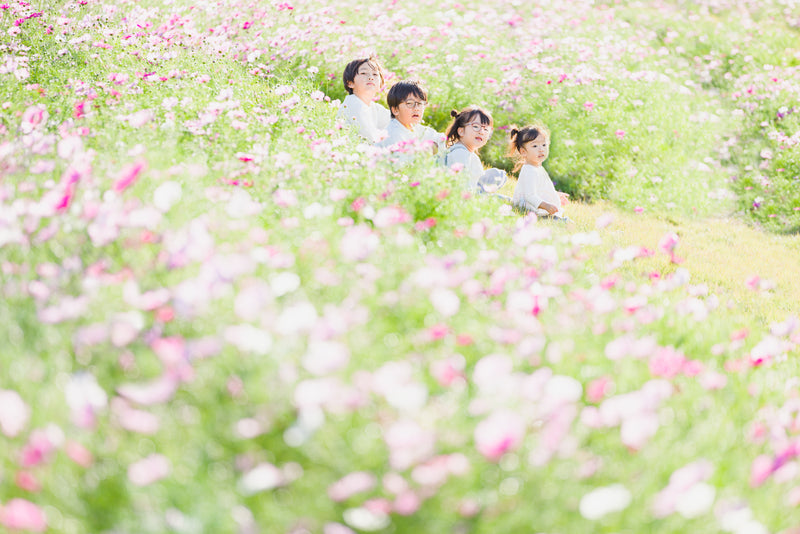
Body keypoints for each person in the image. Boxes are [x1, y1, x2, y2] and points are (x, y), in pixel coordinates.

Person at [508, 123, 569, 218]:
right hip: (530, 210)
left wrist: (555, 194)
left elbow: (539, 188)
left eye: (544, 145)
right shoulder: (530, 171)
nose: (541, 149)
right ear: (523, 152)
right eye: (535, 146)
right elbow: (530, 196)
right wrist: (546, 206)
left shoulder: (536, 167)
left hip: (533, 208)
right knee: (563, 221)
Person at [376, 80, 444, 161]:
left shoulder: (416, 128)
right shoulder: (392, 134)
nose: (416, 108)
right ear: (395, 110)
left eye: (420, 104)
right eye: (410, 103)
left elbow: (441, 139)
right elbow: (404, 165)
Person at [336, 57, 391, 143]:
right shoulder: (353, 103)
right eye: (363, 73)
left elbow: (397, 121)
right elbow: (369, 137)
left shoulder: (374, 107)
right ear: (350, 83)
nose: (370, 77)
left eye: (375, 74)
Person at [443, 106, 496, 191]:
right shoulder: (460, 153)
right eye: (476, 126)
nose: (481, 132)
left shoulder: (470, 155)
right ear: (461, 131)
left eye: (486, 129)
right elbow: (461, 186)